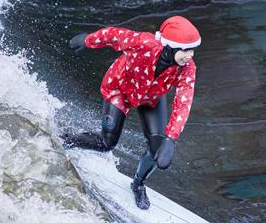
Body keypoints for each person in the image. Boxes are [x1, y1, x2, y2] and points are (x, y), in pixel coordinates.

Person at [62, 16, 201, 210]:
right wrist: (88, 40)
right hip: (119, 89)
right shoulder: (144, 43)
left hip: (151, 97)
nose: (189, 55)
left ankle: (138, 184)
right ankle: (66, 141)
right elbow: (114, 35)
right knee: (106, 144)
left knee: (157, 147)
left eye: (192, 50)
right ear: (170, 46)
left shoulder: (187, 68)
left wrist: (171, 138)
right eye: (185, 50)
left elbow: (184, 101)